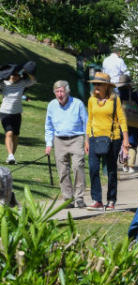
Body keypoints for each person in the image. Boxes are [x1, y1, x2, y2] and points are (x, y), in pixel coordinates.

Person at [85, 72, 129, 210]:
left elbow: (121, 119)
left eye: (99, 84)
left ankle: (111, 200)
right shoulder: (91, 100)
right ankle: (96, 200)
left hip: (113, 138)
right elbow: (89, 120)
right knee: (93, 169)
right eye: (95, 84)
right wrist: (86, 140)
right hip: (94, 138)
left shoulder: (114, 99)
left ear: (106, 86)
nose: (96, 86)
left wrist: (126, 140)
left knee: (111, 170)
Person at [44, 80, 88, 208]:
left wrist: (87, 141)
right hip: (59, 140)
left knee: (78, 167)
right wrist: (48, 144)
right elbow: (48, 126)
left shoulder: (77, 103)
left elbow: (86, 123)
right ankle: (68, 198)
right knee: (62, 170)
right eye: (57, 92)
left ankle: (79, 198)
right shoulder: (51, 105)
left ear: (67, 91)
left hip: (77, 138)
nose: (59, 94)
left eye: (61, 91)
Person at [1, 66, 36, 164]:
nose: (15, 77)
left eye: (18, 75)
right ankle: (10, 155)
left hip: (17, 113)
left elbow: (33, 81)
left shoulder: (22, 83)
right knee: (9, 133)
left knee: (16, 135)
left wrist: (27, 71)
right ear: (9, 75)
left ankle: (11, 156)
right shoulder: (3, 84)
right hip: (5, 112)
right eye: (14, 75)